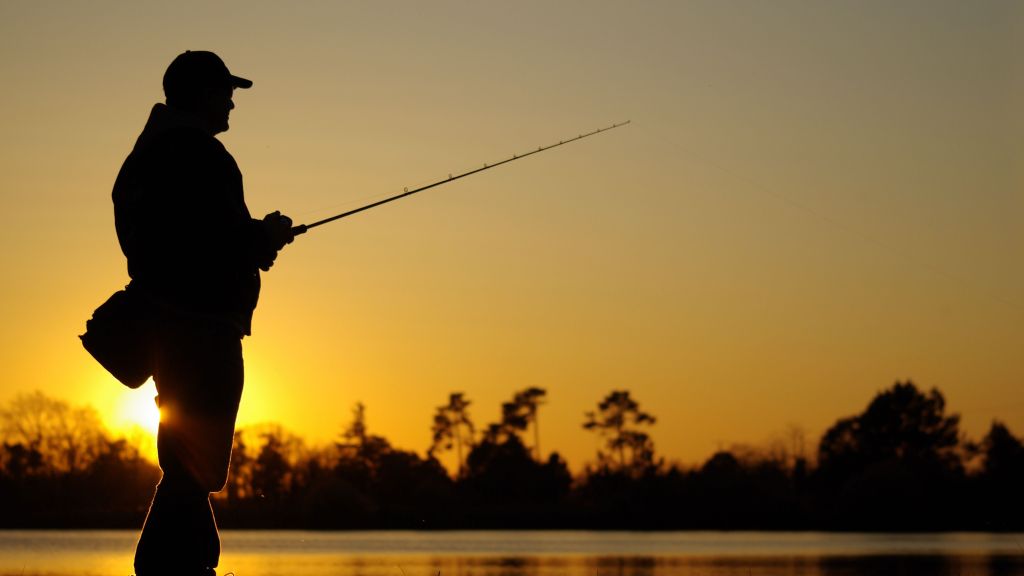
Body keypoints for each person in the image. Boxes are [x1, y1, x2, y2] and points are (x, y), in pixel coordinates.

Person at [111, 50, 294, 576]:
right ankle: (181, 569)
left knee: (187, 461)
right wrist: (265, 236)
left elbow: (175, 241)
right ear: (200, 95)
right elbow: (215, 243)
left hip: (170, 327)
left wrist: (250, 239)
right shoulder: (201, 155)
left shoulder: (146, 155)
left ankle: (183, 568)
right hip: (202, 328)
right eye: (225, 92)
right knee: (195, 464)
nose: (232, 103)